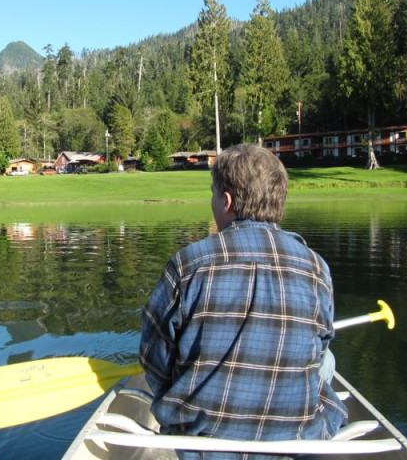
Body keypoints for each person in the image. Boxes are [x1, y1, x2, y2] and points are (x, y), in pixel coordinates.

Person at [139, 144, 347, 459]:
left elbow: (153, 356)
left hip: (202, 444)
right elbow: (320, 345)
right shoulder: (317, 268)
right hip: (296, 437)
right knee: (327, 361)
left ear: (226, 201)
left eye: (212, 194)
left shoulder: (188, 264)